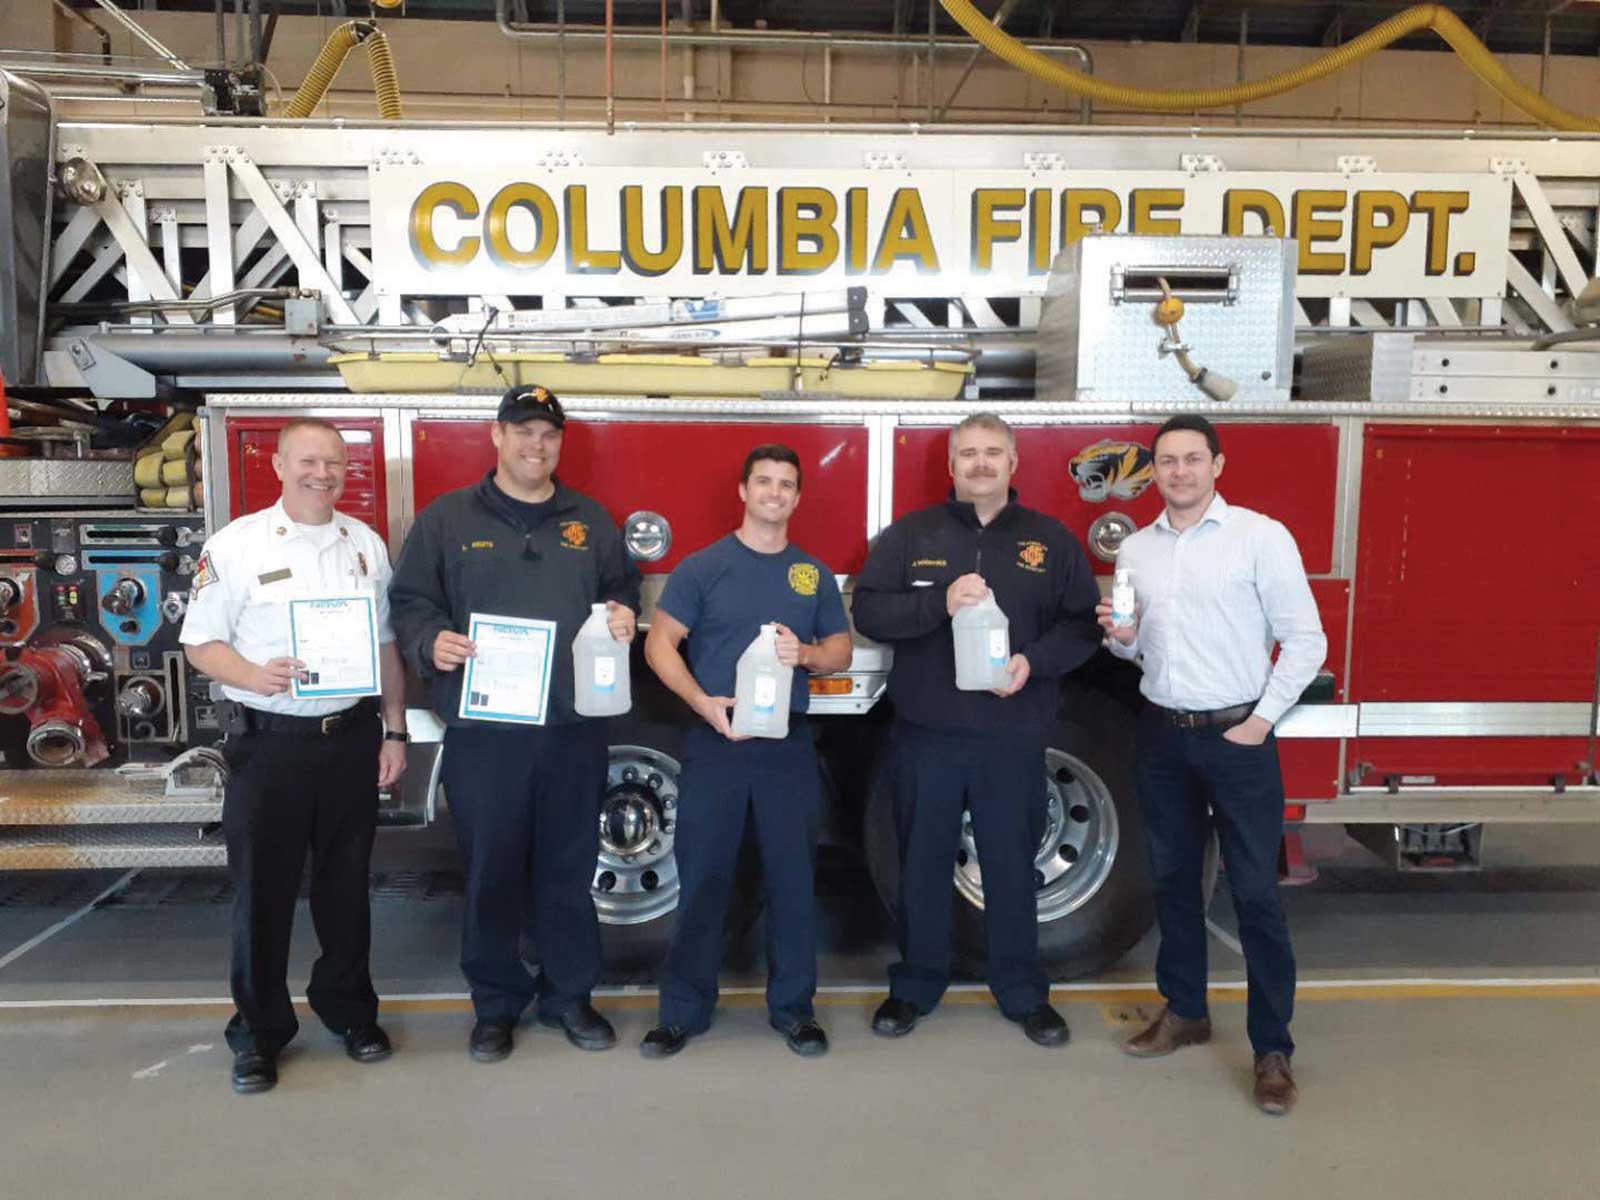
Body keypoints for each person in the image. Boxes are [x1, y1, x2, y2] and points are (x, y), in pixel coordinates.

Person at [389, 385, 640, 1064]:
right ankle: (496, 1005)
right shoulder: (446, 520)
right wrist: (429, 642)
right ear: (496, 437)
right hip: (487, 733)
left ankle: (569, 997)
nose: (536, 445)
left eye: (548, 435)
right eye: (523, 432)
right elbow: (410, 601)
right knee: (491, 869)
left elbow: (622, 587)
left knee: (568, 868)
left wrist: (621, 613)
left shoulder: (589, 518)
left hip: (571, 728)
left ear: (560, 443)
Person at [1097, 413, 1325, 1117]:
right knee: (1172, 882)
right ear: (1154, 472)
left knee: (1255, 893)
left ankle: (1272, 1049)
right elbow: (1132, 650)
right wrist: (1124, 638)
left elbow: (1307, 640)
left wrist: (1259, 723)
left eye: (1192, 459)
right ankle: (1186, 1010)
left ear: (1217, 465)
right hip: (1163, 735)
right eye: (1167, 461)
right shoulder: (1136, 550)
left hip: (1238, 738)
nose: (1179, 472)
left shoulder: (1260, 537)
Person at [852, 413, 1100, 1046]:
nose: (981, 464)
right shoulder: (912, 536)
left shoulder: (1050, 541)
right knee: (922, 866)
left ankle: (1022, 993)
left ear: (1014, 463)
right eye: (969, 454)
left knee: (1012, 866)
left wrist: (1032, 663)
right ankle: (914, 987)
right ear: (951, 465)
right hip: (927, 735)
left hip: (1010, 735)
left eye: (993, 453)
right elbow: (871, 611)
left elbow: (1081, 626)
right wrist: (937, 602)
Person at [181, 417, 408, 1095]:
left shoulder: (363, 544)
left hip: (350, 740)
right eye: (309, 461)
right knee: (263, 896)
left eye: (335, 463)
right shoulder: (236, 545)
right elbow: (200, 643)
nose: (323, 474)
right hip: (268, 743)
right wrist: (252, 675)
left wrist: (395, 729)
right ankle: (257, 1034)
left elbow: (388, 646)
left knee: (347, 891)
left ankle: (350, 1013)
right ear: (277, 465)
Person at [637, 445, 852, 1059]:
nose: (775, 493)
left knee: (792, 880)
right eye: (764, 482)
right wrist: (703, 703)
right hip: (717, 745)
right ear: (743, 490)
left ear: (798, 497)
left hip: (786, 748)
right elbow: (661, 646)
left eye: (787, 484)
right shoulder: (704, 568)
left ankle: (794, 1011)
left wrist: (805, 655)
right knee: (703, 877)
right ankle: (681, 1012)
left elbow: (840, 647)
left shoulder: (810, 572)